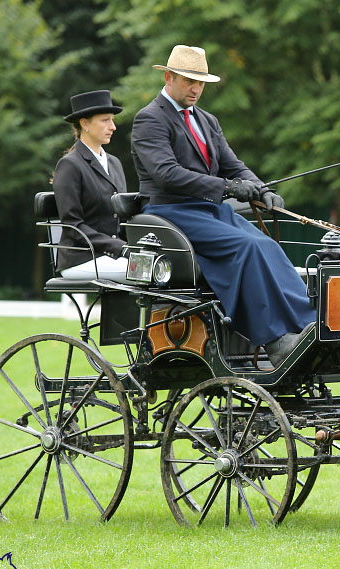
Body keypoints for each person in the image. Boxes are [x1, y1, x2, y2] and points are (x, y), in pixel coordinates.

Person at [130, 44, 316, 367]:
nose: (196, 89)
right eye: (190, 81)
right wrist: (228, 187)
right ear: (170, 77)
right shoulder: (150, 120)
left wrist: (261, 190)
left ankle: (306, 324)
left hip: (210, 212)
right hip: (171, 213)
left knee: (266, 245)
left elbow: (233, 165)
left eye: (201, 83)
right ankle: (274, 340)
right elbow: (167, 174)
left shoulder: (207, 120)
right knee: (247, 247)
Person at [54, 90, 131, 282]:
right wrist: (118, 247)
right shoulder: (70, 165)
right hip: (80, 258)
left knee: (159, 265)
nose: (112, 127)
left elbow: (123, 216)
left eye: (112, 120)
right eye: (105, 120)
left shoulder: (114, 163)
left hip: (113, 255)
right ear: (84, 123)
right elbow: (73, 225)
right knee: (145, 272)